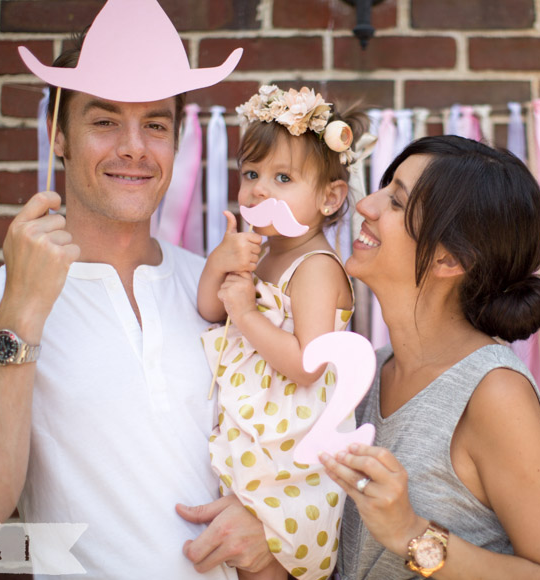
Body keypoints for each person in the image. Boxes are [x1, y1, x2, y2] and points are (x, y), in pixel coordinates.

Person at [0, 0, 272, 577]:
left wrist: (273, 528)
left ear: (177, 141)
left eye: (155, 124)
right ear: (58, 135)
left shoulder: (224, 292)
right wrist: (25, 307)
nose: (134, 147)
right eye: (105, 121)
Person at [321, 135, 540, 579]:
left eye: (396, 202)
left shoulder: (493, 393)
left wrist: (412, 534)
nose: (366, 204)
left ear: (449, 258)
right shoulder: (366, 372)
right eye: (384, 189)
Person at [197, 85, 366, 580]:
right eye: (251, 174)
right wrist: (219, 264)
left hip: (294, 446)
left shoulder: (316, 267)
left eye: (282, 177)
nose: (259, 190)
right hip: (258, 430)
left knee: (268, 556)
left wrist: (247, 314)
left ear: (330, 197)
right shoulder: (264, 252)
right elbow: (211, 309)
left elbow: (307, 365)